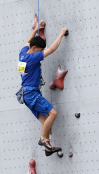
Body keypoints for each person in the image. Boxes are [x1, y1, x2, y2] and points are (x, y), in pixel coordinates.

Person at [18, 24, 67, 156]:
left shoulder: (22, 54)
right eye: (40, 50)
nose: (41, 53)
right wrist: (61, 33)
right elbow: (51, 49)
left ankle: (47, 149)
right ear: (34, 49)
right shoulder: (32, 58)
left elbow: (28, 41)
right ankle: (43, 140)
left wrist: (36, 29)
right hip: (32, 93)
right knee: (53, 114)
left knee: (46, 122)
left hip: (26, 94)